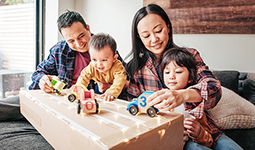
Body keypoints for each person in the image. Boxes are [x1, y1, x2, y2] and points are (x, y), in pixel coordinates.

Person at [125, 4, 243, 150]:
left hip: (203, 129)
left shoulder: (190, 56)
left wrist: (182, 95)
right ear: (139, 38)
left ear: (168, 27)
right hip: (166, 137)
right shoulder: (135, 68)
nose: (154, 39)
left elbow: (214, 88)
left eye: (158, 31)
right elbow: (133, 110)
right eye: (146, 35)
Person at [28, 10, 125, 94]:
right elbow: (38, 73)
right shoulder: (59, 50)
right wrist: (43, 80)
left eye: (81, 36)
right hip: (65, 99)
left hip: (92, 103)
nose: (79, 44)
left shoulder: (105, 48)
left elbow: (129, 80)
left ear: (88, 28)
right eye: (71, 41)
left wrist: (113, 88)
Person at [160, 48, 213, 148]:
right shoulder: (159, 97)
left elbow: (209, 141)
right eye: (167, 72)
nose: (171, 76)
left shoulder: (194, 102)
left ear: (190, 78)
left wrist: (199, 132)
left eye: (178, 72)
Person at [76, 33, 126, 101]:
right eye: (94, 59)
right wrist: (79, 87)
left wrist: (111, 92)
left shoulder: (117, 66)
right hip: (99, 91)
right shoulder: (92, 66)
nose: (99, 64)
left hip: (117, 93)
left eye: (104, 60)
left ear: (114, 58)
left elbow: (120, 80)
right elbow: (84, 76)